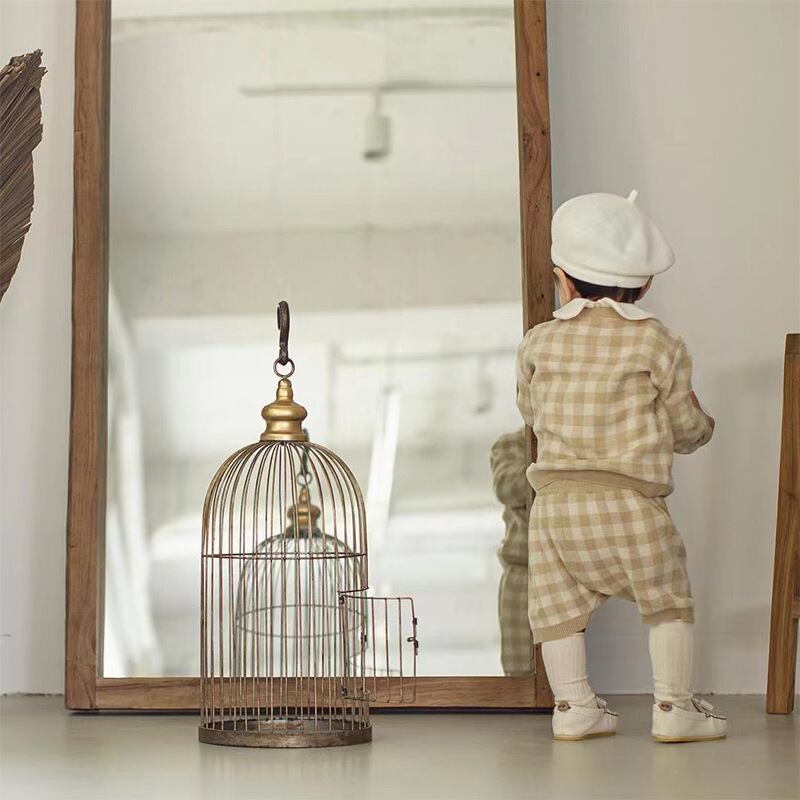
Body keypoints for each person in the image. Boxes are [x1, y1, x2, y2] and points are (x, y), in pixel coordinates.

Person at [516, 191, 727, 743]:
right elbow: (684, 425)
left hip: (555, 508)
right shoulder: (659, 342)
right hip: (629, 503)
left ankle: (574, 707)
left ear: (562, 280)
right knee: (667, 600)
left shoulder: (537, 343)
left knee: (556, 609)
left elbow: (531, 414)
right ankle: (674, 708)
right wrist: (704, 426)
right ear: (646, 284)